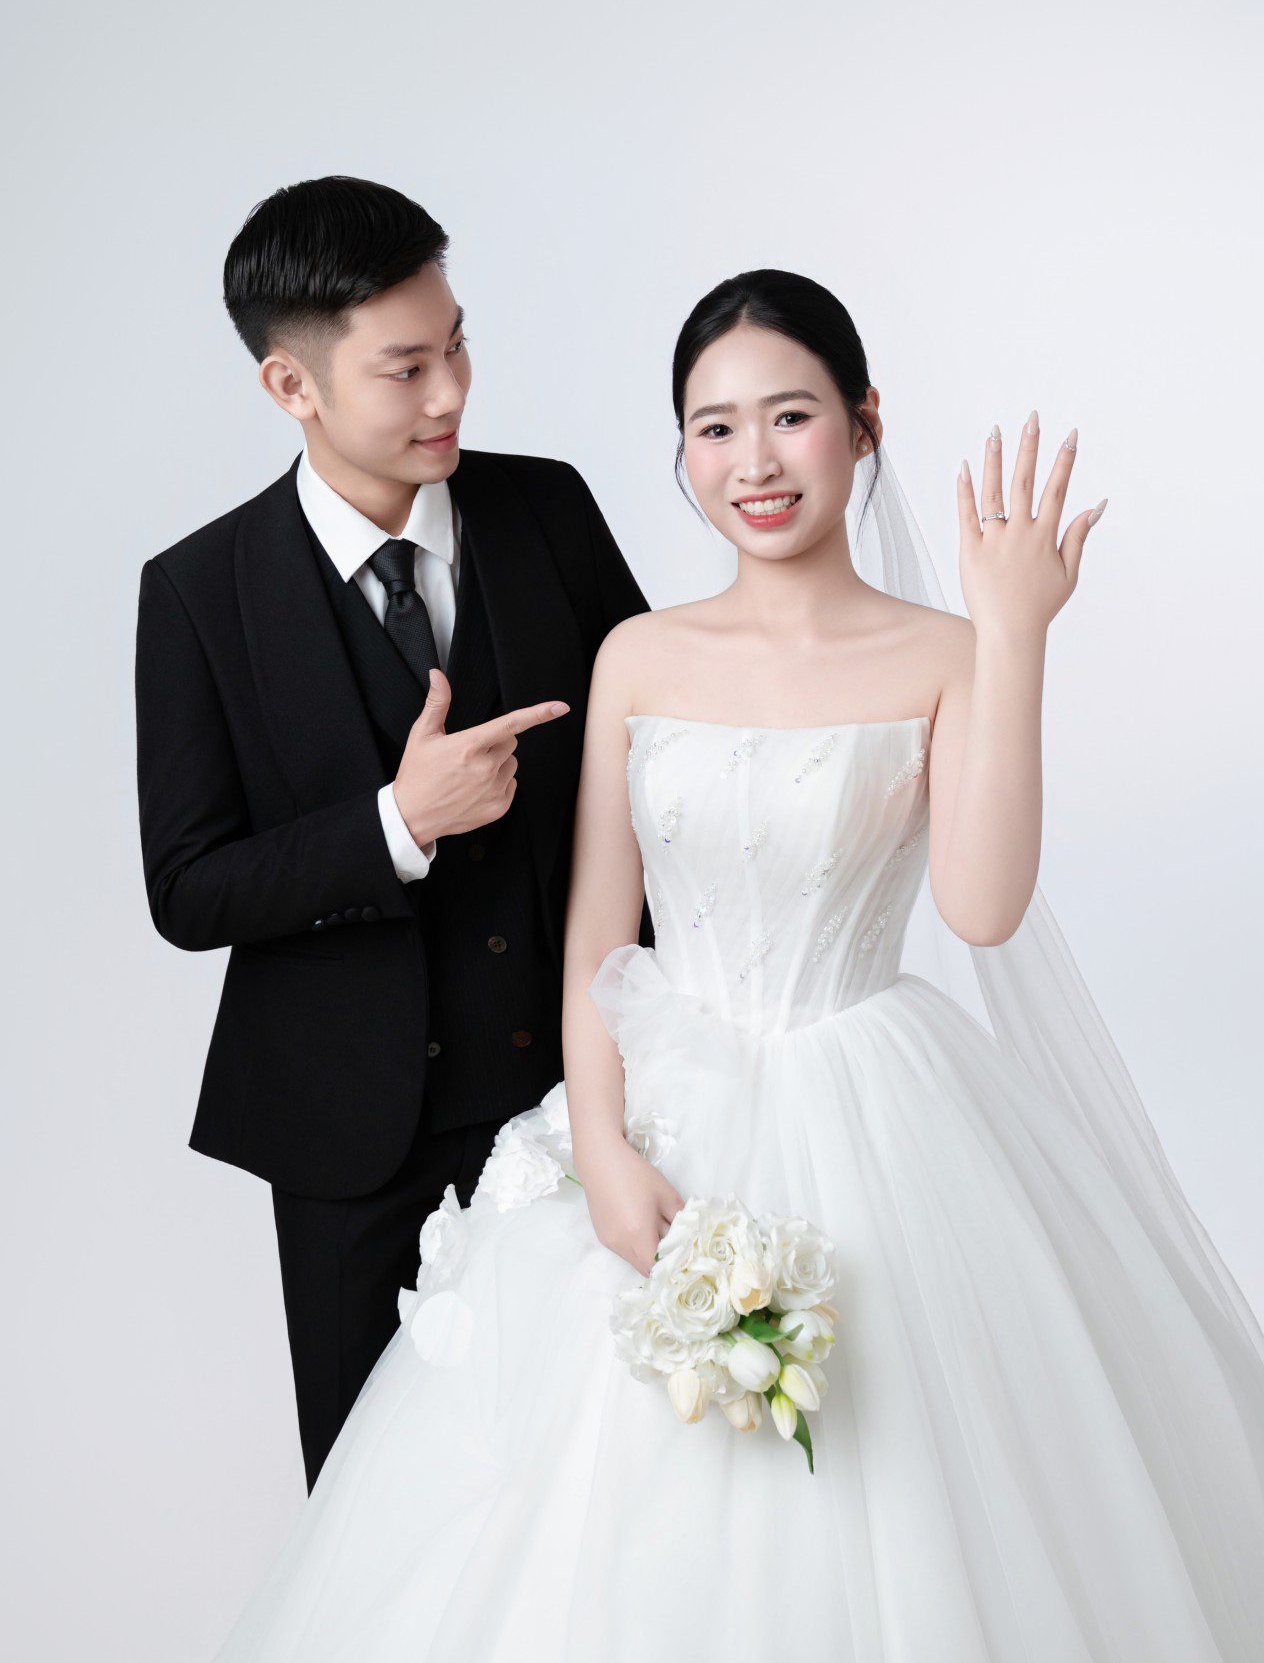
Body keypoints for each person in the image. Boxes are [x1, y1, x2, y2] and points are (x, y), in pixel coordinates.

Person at [209, 269, 1264, 1661]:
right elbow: (599, 935)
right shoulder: (640, 656)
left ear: (864, 422)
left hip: (881, 1109)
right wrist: (601, 1148)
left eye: (790, 416)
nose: (753, 463)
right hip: (663, 1119)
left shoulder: (947, 653)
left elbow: (983, 908)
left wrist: (1013, 637)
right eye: (714, 429)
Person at [133, 175, 651, 1493]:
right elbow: (187, 889)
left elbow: (659, 766)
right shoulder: (199, 593)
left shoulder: (550, 511)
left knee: (599, 1491)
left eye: (457, 346)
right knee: (376, 1508)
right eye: (406, 368)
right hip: (348, 1144)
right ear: (290, 386)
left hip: (577, 1106)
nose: (451, 394)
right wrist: (393, 827)